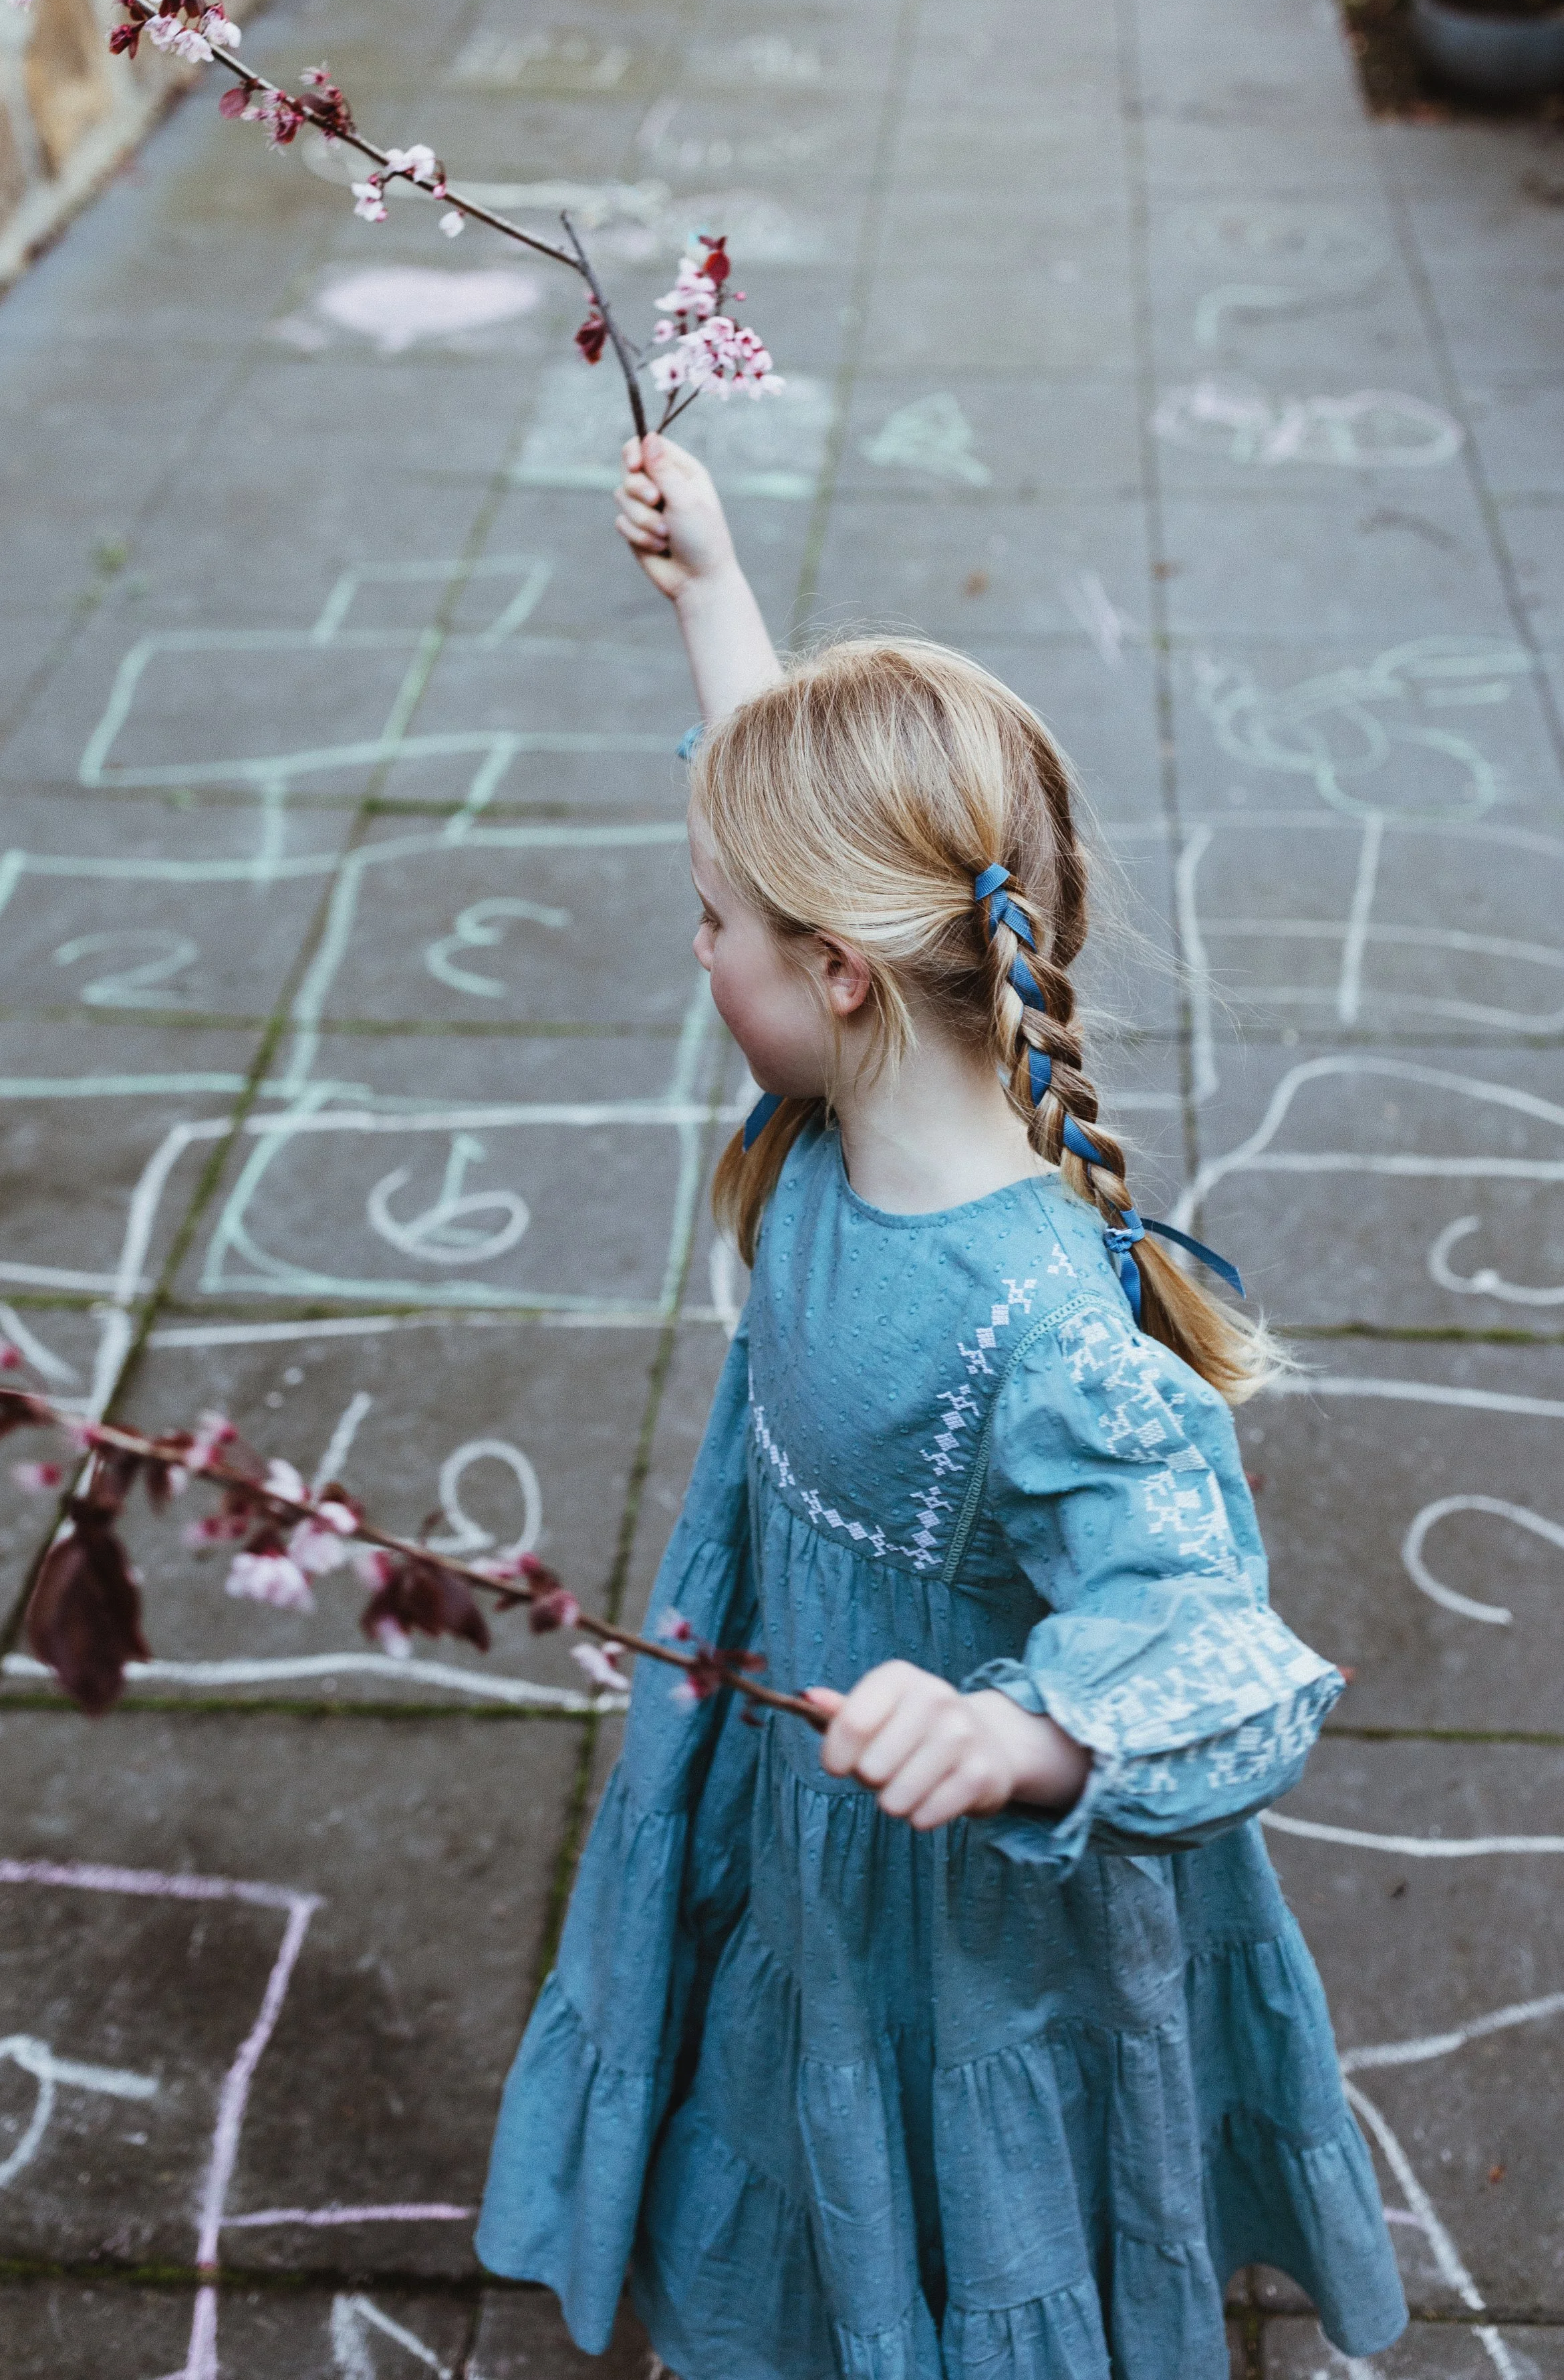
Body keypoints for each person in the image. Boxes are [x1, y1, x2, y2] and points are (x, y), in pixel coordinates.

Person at [475, 436, 1406, 2380]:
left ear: (834, 974)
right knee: (790, 2081)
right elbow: (776, 806)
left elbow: (1226, 1663)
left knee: (939, 2177)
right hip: (810, 1773)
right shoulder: (852, 1084)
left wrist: (1024, 1735)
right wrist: (709, 591)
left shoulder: (1036, 1323)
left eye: (707, 922)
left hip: (956, 1895)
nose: (694, 945)